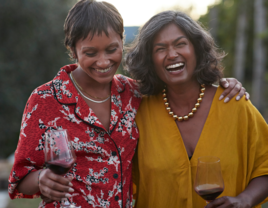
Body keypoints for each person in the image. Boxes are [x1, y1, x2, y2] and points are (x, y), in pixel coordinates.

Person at [8, 1, 248, 207]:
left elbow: (181, 86)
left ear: (122, 41)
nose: (103, 61)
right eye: (90, 53)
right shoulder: (45, 99)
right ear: (73, 50)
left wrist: (224, 83)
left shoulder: (134, 93)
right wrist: (41, 179)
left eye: (112, 49)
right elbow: (19, 177)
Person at [126, 11, 268, 208]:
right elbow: (110, 170)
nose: (172, 54)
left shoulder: (234, 104)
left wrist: (245, 199)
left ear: (197, 49)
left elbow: (265, 168)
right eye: (160, 49)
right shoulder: (137, 113)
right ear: (149, 59)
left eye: (180, 44)